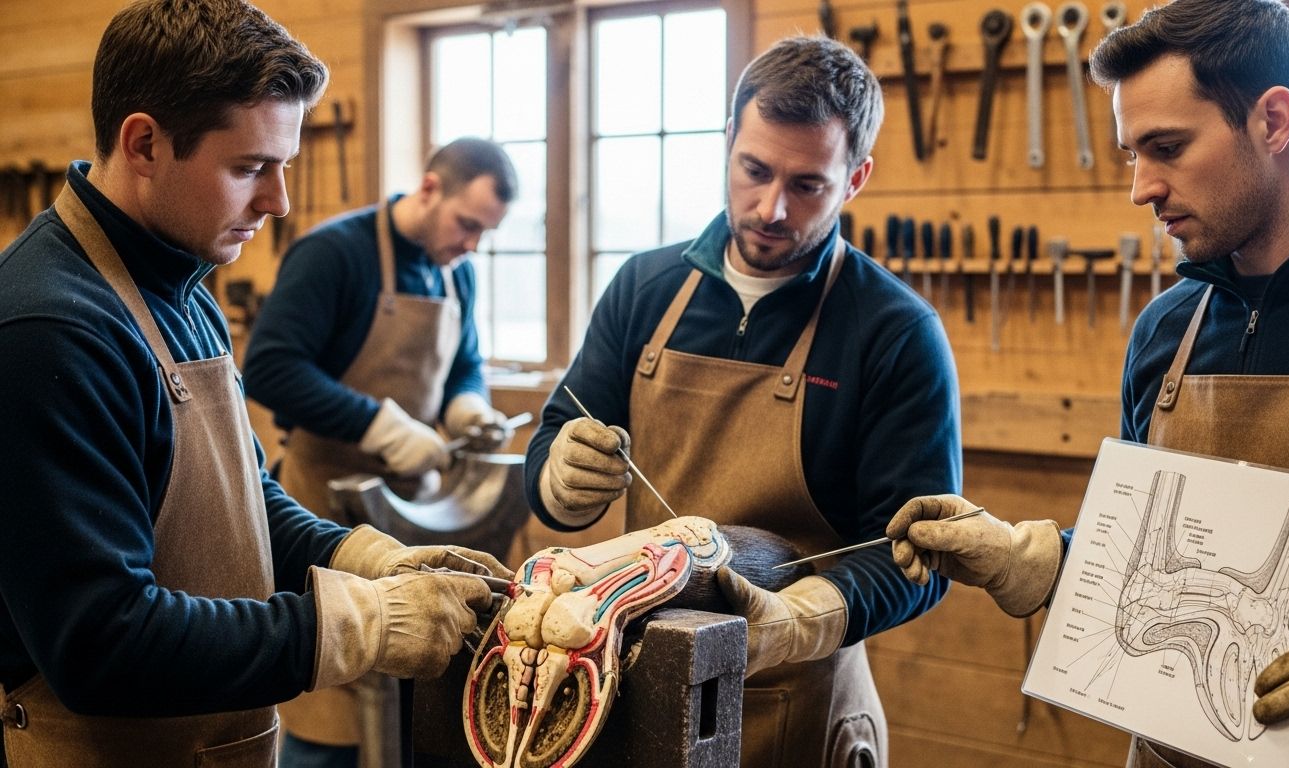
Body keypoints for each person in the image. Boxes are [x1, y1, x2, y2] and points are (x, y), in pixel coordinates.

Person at [886, 1, 1289, 766]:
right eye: (1132, 152)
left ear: (1272, 120)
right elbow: (1142, 571)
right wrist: (1028, 558)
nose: (1141, 187)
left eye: (1167, 147)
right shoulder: (1167, 329)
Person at [0, 2, 511, 767]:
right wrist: (361, 624)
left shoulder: (179, 281)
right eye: (248, 169)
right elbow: (101, 641)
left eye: (284, 167)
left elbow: (237, 500)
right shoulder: (52, 329)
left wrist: (365, 559)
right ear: (144, 143)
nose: (279, 203)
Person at [524, 35, 961, 767]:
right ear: (728, 141)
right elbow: (556, 441)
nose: (770, 208)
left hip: (795, 700)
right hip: (640, 693)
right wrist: (559, 480)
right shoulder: (645, 289)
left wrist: (799, 619)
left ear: (855, 178)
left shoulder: (894, 331)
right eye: (754, 170)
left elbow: (918, 558)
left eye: (807, 185)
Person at [242, 138, 517, 763]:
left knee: (413, 704)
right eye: (467, 224)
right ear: (428, 189)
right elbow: (271, 368)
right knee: (330, 712)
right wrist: (384, 428)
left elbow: (465, 364)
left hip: (409, 508)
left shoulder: (457, 271)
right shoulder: (335, 254)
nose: (471, 244)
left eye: (485, 233)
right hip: (323, 505)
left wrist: (466, 407)